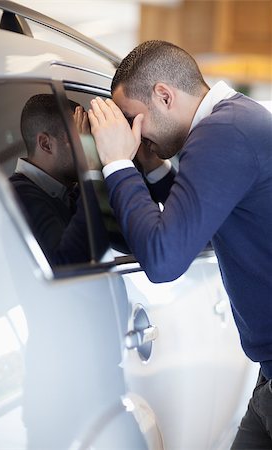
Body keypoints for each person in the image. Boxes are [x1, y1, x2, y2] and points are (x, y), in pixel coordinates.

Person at [88, 40, 272, 448]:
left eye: (133, 120)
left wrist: (117, 163)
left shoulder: (222, 133)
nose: (134, 137)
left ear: (164, 96)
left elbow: (165, 258)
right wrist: (150, 167)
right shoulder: (235, 121)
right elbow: (201, 225)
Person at [10, 94, 90, 266]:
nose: (89, 147)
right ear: (46, 144)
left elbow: (126, 241)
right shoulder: (19, 196)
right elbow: (68, 262)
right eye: (82, 138)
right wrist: (91, 171)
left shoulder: (66, 193)